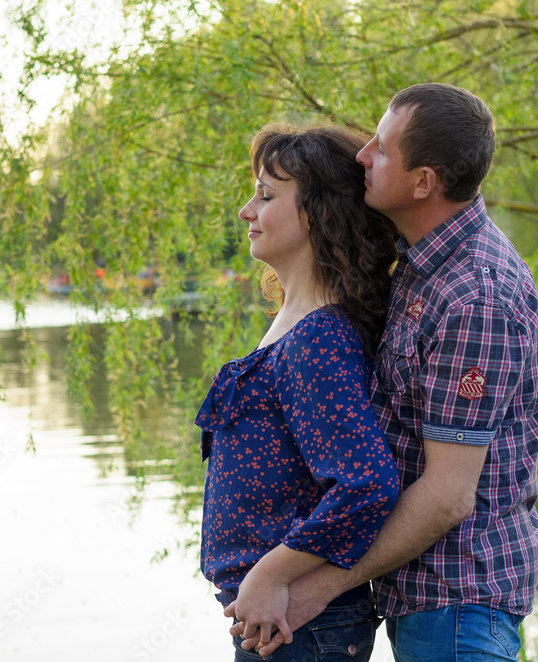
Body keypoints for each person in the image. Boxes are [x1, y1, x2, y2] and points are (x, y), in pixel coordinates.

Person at [233, 83, 538, 661]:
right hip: (419, 597)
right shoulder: (422, 267)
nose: (363, 155)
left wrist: (311, 588)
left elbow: (448, 496)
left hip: (456, 605)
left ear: (423, 182)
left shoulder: (476, 296)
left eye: (380, 147)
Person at [196, 124, 401, 661]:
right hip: (279, 617)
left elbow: (367, 483)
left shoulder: (319, 338)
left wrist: (270, 574)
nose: (246, 211)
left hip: (300, 621)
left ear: (317, 213)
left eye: (265, 196)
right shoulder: (298, 322)